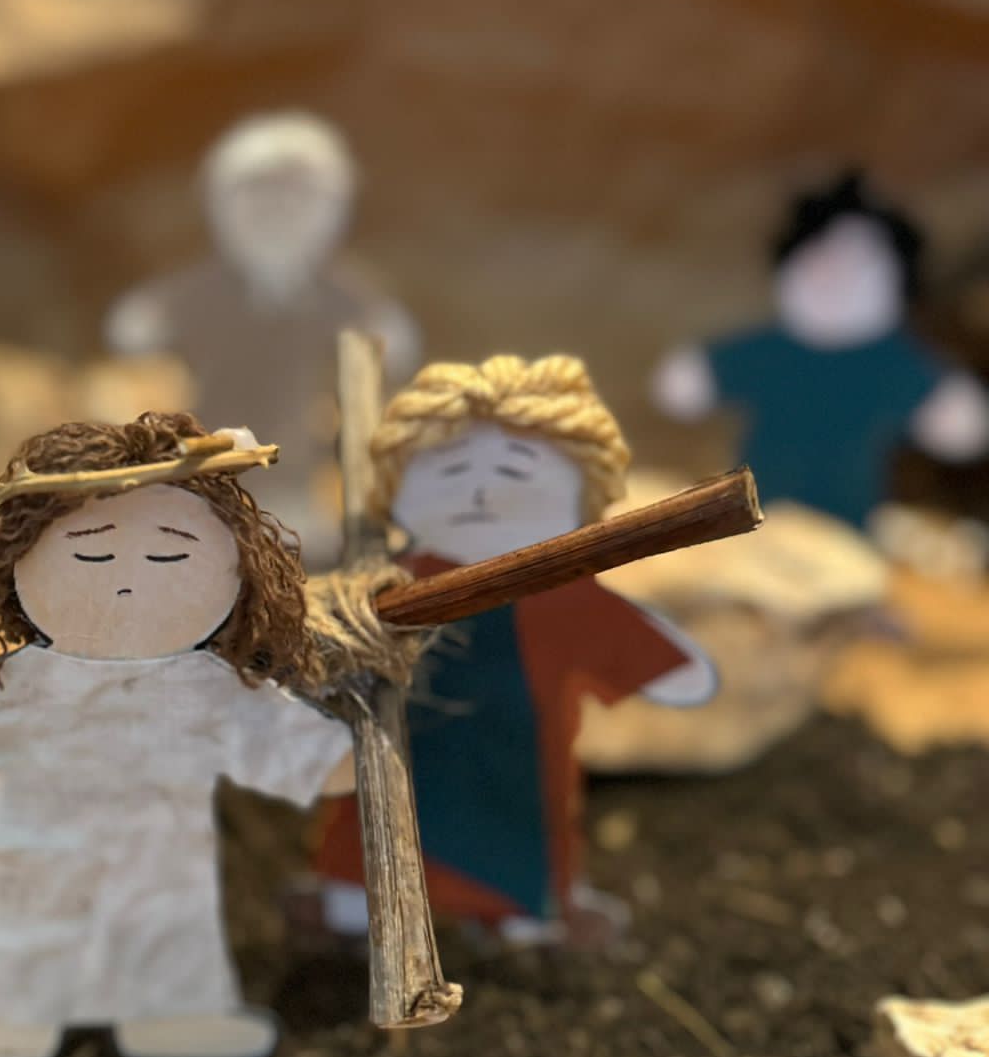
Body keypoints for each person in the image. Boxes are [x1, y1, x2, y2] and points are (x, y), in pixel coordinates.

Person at [0, 412, 356, 1057]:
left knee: (166, 936)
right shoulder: (22, 683)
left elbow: (277, 737)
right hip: (33, 865)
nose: (128, 580)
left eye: (169, 557)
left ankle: (175, 1018)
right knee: (19, 938)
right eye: (91, 555)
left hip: (161, 864)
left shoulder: (204, 687)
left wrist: (334, 760)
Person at [314, 355, 714, 947]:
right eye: (452, 470)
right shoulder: (390, 582)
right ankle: (353, 906)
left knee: (516, 829)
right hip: (408, 747)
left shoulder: (562, 593)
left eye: (514, 468)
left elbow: (654, 657)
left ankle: (522, 915)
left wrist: (671, 666)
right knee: (383, 822)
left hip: (515, 758)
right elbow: (334, 641)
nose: (480, 491)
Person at [104, 113, 418, 565]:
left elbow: (391, 346)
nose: (278, 210)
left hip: (305, 483)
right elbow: (134, 333)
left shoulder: (349, 301)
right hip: (207, 472)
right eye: (257, 194)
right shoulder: (190, 296)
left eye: (298, 195)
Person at [652, 172, 989, 532]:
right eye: (821, 260)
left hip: (849, 520)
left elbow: (959, 424)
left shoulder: (891, 363)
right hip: (754, 510)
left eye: (858, 266)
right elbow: (688, 385)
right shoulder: (771, 351)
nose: (835, 277)